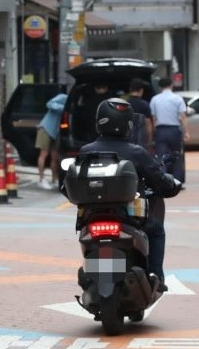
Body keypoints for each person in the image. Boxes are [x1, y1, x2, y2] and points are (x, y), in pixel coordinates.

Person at [77, 98, 183, 289]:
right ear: (128, 124)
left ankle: (92, 273)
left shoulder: (86, 151)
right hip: (129, 219)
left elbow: (68, 184)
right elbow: (160, 181)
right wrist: (172, 184)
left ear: (100, 121)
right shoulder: (136, 152)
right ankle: (155, 275)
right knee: (156, 230)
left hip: (91, 219)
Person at [149, 77, 189, 182]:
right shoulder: (177, 98)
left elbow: (153, 118)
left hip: (160, 130)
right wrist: (186, 131)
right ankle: (176, 180)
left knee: (160, 156)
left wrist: (153, 132)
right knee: (176, 155)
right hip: (174, 129)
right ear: (171, 85)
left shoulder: (155, 99)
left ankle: (163, 179)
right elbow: (183, 116)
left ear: (160, 86)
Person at [36, 88, 68, 190]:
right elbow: (49, 104)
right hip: (46, 128)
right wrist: (63, 107)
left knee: (55, 156)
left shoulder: (73, 104)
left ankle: (54, 180)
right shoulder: (64, 97)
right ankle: (41, 179)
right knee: (43, 154)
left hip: (56, 132)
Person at [126, 78, 154, 148]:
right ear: (141, 90)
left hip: (127, 138)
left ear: (130, 89)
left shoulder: (125, 104)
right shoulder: (145, 104)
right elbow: (148, 123)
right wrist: (150, 140)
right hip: (141, 138)